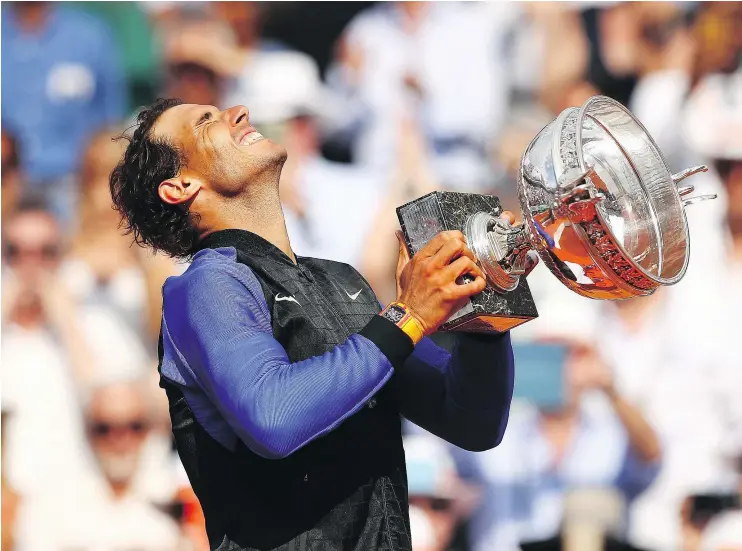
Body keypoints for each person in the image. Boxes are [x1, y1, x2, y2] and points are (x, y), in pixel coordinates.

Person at [108, 98, 524, 550]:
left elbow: (471, 422)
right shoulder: (204, 287)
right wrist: (410, 316)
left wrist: (486, 302)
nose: (240, 112)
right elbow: (274, 417)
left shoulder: (340, 279)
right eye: (207, 121)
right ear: (180, 186)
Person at [451, 337, 661, 551]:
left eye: (569, 354)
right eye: (546, 353)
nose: (557, 365)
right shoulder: (494, 431)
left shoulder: (611, 435)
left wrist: (611, 390)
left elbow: (651, 457)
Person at [14, 378, 189, 551]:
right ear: (87, 431)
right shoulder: (47, 504)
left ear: (150, 430)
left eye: (134, 426)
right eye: (104, 428)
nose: (120, 440)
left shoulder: (179, 498)